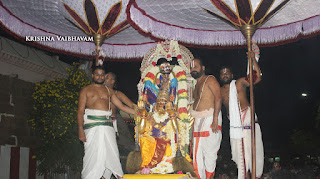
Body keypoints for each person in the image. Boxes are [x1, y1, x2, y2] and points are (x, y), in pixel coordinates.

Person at [77, 66, 136, 179]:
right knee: (92, 155)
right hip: (92, 127)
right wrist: (80, 129)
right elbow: (80, 111)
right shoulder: (86, 90)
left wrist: (138, 113)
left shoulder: (109, 91)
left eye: (102, 75)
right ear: (93, 75)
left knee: (112, 152)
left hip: (107, 126)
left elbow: (121, 106)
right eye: (97, 74)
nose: (100, 76)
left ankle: (119, 176)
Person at [219, 52, 264, 179]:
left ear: (231, 75)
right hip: (235, 125)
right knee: (241, 160)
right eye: (222, 73)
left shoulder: (239, 83)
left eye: (227, 72)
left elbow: (258, 77)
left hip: (247, 120)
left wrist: (252, 59)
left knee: (252, 154)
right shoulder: (220, 91)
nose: (225, 74)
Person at [190, 57, 222, 179]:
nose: (193, 69)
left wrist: (215, 119)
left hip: (210, 119)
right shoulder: (196, 84)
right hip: (198, 121)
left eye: (196, 67)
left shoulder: (210, 79)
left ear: (203, 68)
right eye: (191, 67)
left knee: (210, 153)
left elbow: (218, 98)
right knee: (197, 154)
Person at [104, 72, 135, 151]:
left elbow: (131, 105)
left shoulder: (117, 94)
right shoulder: (97, 91)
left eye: (107, 77)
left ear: (112, 81)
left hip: (115, 118)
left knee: (125, 138)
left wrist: (140, 110)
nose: (104, 78)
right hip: (101, 120)